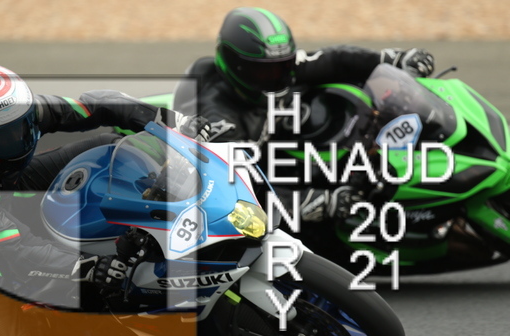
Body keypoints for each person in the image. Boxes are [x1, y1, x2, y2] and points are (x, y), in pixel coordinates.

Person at [0, 62, 210, 336]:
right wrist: (87, 266)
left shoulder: (21, 111)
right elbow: (17, 247)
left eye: (22, 126)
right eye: (3, 137)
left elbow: (97, 105)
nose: (18, 139)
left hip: (9, 178)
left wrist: (173, 123)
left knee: (106, 144)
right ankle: (31, 320)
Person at [173, 7, 435, 229]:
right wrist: (317, 201)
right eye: (266, 72)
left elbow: (333, 60)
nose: (278, 78)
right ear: (236, 64)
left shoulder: (271, 69)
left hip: (268, 145)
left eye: (283, 67)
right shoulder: (217, 120)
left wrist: (393, 59)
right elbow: (236, 191)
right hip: (218, 187)